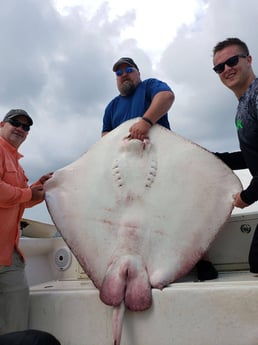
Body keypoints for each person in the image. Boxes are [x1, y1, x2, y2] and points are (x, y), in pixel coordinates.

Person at [102, 57, 218, 280]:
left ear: (138, 73)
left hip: (160, 160)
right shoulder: (112, 106)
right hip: (128, 169)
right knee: (131, 218)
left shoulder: (149, 87)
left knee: (182, 208)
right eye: (119, 72)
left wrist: (145, 122)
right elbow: (104, 136)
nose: (124, 74)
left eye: (129, 70)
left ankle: (202, 260)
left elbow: (166, 97)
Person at [0, 109, 53, 335]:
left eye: (26, 127)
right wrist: (27, 194)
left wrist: (34, 190)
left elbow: (18, 201)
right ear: (2, 124)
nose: (21, 129)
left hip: (9, 257)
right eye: (16, 123)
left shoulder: (18, 165)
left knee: (16, 325)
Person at [212, 37, 258, 273]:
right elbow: (252, 155)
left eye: (232, 61)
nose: (227, 69)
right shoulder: (242, 107)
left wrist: (248, 195)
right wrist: (213, 158)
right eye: (220, 67)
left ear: (248, 60)